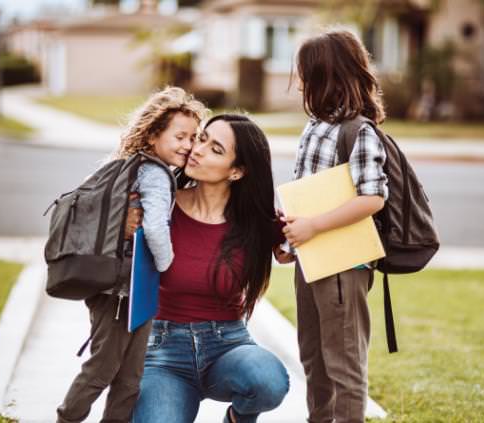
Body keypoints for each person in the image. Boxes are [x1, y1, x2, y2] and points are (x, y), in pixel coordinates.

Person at [56, 87, 207, 423]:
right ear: (153, 135)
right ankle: (66, 418)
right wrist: (169, 266)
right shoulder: (153, 173)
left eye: (192, 137)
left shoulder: (133, 165)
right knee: (105, 369)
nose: (187, 144)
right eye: (180, 136)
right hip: (122, 292)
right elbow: (154, 228)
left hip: (129, 289)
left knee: (130, 374)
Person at [128, 114, 290, 423]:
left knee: (269, 381)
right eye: (201, 138)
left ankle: (237, 419)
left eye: (215, 149)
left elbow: (304, 243)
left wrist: (293, 245)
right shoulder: (162, 205)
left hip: (227, 345)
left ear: (237, 171)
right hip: (163, 352)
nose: (197, 150)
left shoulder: (257, 222)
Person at [281, 30, 389, 423]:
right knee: (313, 354)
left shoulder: (358, 131)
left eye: (306, 75)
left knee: (343, 362)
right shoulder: (315, 126)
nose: (301, 84)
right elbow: (309, 194)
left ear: (328, 77)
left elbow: (373, 198)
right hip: (310, 261)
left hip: (343, 267)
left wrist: (315, 226)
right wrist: (291, 239)